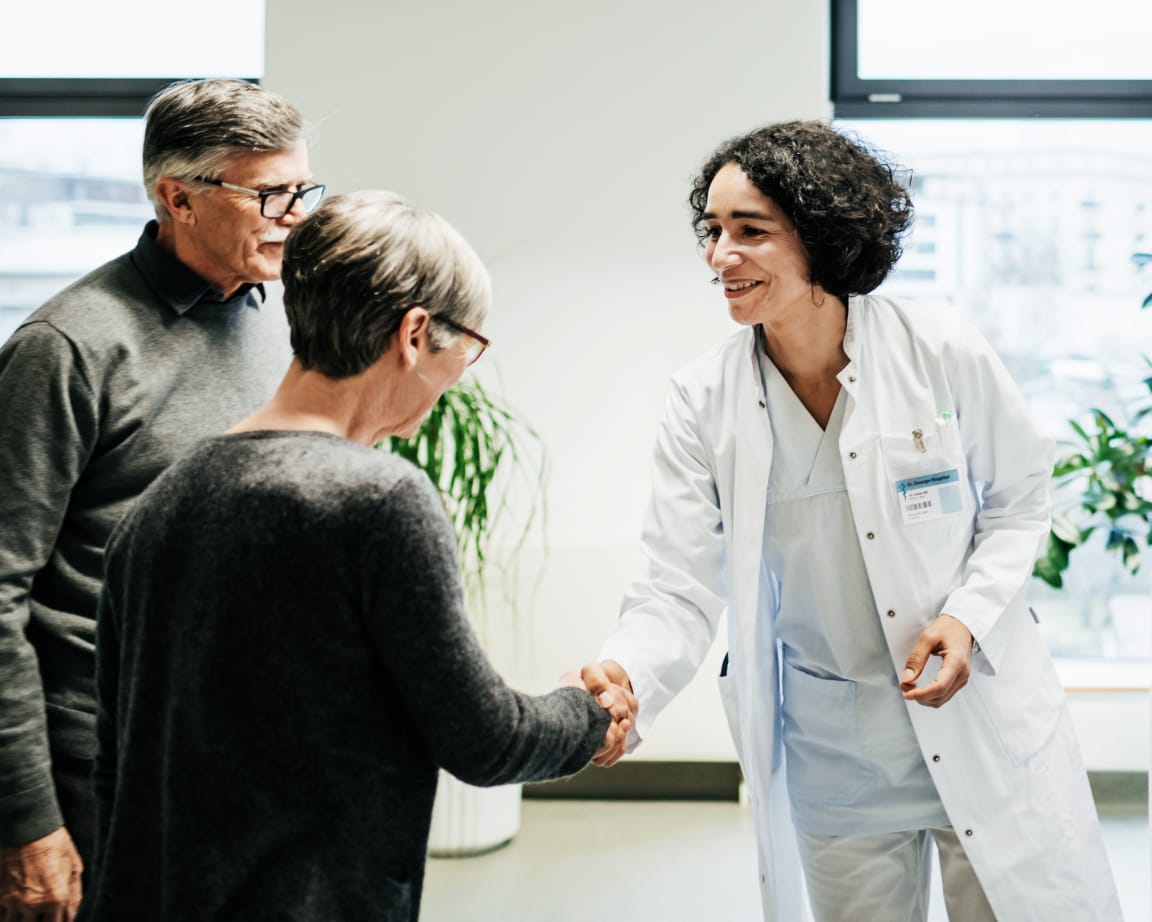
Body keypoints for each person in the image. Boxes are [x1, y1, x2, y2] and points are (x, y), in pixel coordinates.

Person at [582, 121, 1122, 921]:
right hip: (840, 752)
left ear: (824, 237)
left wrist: (966, 618)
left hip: (980, 723)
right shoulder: (704, 401)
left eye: (750, 231)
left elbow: (1020, 498)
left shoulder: (939, 348)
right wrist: (625, 672)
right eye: (713, 231)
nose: (719, 257)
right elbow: (678, 583)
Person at [77, 190, 634, 922]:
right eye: (465, 346)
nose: (458, 373)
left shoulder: (159, 502)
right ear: (413, 334)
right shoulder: (377, 500)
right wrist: (589, 714)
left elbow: (115, 763)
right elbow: (485, 738)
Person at [0, 78, 320, 919]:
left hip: (239, 756)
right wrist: (27, 821)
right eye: (268, 195)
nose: (294, 214)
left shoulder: (281, 321)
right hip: (100, 770)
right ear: (178, 197)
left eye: (301, 190)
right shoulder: (67, 347)